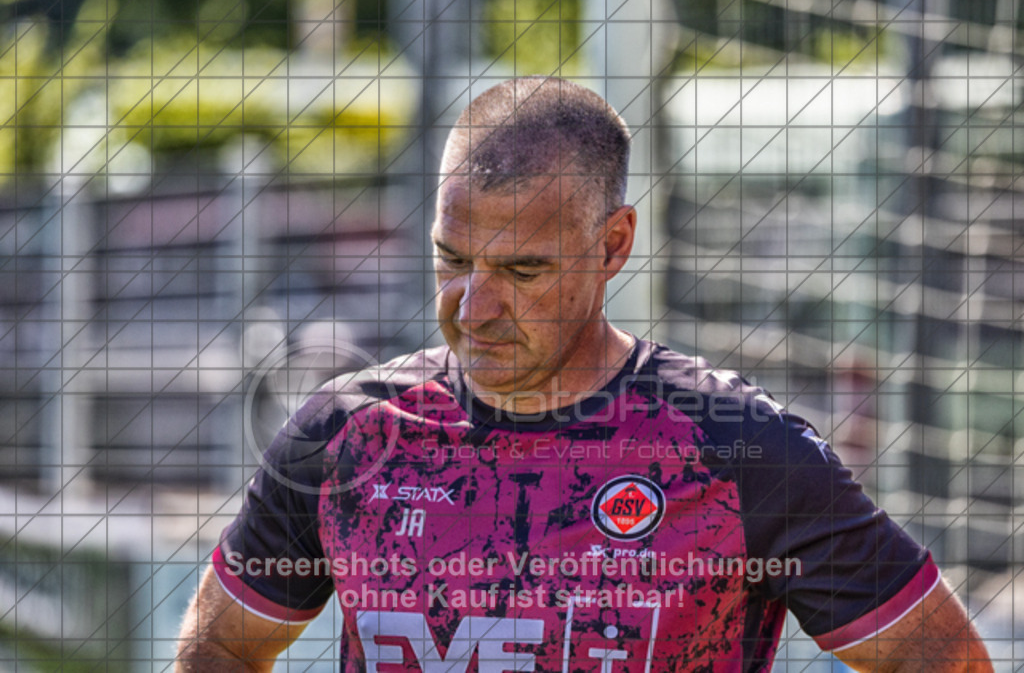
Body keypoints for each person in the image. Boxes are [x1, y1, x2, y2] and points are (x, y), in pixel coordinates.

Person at [176, 76, 992, 671]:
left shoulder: (738, 451)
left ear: (612, 245)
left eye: (522, 270)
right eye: (452, 258)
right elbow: (221, 646)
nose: (473, 306)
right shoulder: (346, 437)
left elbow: (943, 660)